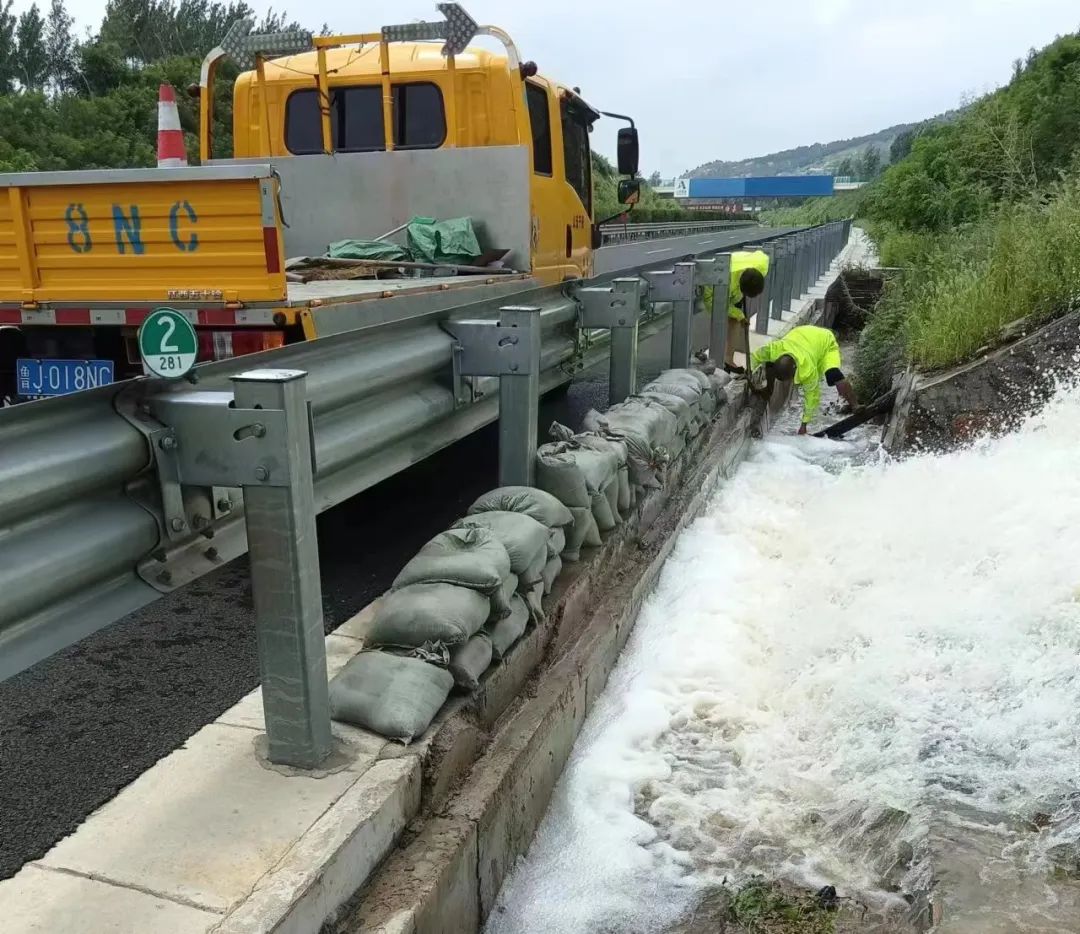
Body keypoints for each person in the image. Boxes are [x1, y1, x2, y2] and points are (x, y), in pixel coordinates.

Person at [750, 324, 859, 434]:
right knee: (769, 363)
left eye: (789, 377)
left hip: (826, 341)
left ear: (794, 368)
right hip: (802, 333)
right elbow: (755, 356)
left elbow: (812, 397)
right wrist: (747, 372)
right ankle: (768, 390)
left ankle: (855, 405)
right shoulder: (774, 349)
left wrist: (804, 425)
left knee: (833, 374)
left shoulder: (807, 370)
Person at [723, 250, 769, 373]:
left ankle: (728, 359)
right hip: (722, 280)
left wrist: (739, 317)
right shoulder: (726, 279)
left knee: (735, 321)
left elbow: (762, 255)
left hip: (739, 269)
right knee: (721, 318)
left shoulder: (762, 267)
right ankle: (718, 361)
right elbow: (712, 303)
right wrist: (740, 315)